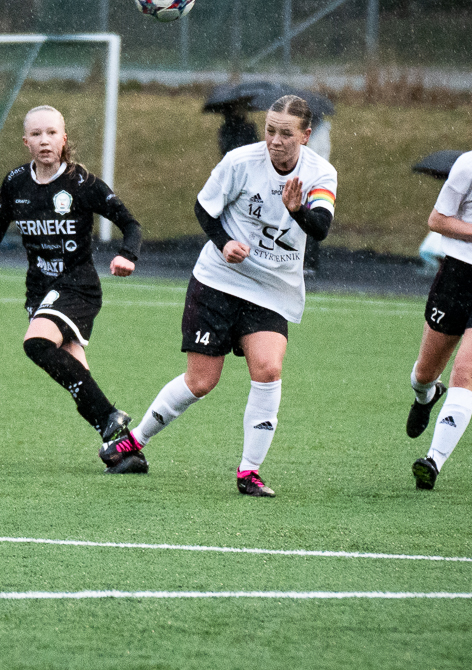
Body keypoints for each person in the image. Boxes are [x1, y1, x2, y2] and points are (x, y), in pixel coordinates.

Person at [100, 94, 337, 496]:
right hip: (218, 281)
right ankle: (134, 440)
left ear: (306, 135)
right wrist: (225, 242)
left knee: (268, 369)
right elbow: (204, 209)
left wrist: (296, 210)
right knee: (201, 381)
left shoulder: (320, 173)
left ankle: (249, 473)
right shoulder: (240, 162)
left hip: (271, 289)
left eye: (286, 134)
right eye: (270, 130)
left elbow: (320, 228)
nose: (275, 140)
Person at [0, 105, 142, 448]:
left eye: (51, 133)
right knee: (79, 382)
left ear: (64, 139)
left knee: (36, 343)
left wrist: (128, 254)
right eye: (36, 134)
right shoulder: (15, 183)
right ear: (26, 142)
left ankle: (110, 416)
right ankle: (122, 449)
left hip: (78, 286)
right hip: (39, 289)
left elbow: (130, 224)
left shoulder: (82, 183)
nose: (45, 140)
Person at [406, 90, 472, 490]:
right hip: (458, 277)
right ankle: (425, 396)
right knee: (423, 373)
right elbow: (437, 220)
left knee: (466, 369)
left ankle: (433, 461)